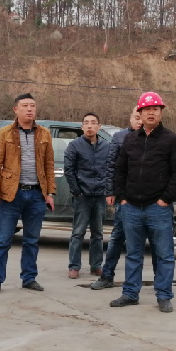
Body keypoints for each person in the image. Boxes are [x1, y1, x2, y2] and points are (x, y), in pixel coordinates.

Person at [110, 91, 176, 313]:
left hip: (158, 208)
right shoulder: (130, 140)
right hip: (131, 208)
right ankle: (130, 293)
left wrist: (165, 199)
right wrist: (123, 198)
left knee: (164, 254)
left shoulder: (171, 140)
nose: (151, 113)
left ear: (161, 112)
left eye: (155, 109)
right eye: (146, 110)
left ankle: (163, 295)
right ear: (140, 113)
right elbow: (120, 170)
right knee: (133, 254)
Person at [0, 93, 55, 294]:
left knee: (32, 240)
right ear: (16, 109)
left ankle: (29, 278)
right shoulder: (5, 133)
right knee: (3, 240)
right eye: (25, 105)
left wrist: (50, 192)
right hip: (11, 194)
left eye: (32, 105)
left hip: (36, 195)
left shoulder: (44, 133)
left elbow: (49, 165)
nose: (29, 109)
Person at [90, 106, 154, 290]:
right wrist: (110, 192)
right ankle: (107, 275)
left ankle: (160, 284)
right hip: (125, 199)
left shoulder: (155, 138)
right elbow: (111, 166)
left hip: (150, 199)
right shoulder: (119, 138)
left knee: (154, 242)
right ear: (131, 118)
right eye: (136, 117)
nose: (139, 121)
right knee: (117, 237)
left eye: (141, 117)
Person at [63, 113, 109, 278]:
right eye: (86, 123)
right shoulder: (74, 145)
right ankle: (74, 266)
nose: (90, 126)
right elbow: (69, 170)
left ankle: (96, 266)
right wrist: (77, 191)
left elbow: (111, 169)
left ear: (99, 126)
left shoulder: (107, 147)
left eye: (93, 123)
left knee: (98, 233)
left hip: (100, 196)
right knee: (78, 232)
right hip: (82, 196)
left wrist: (107, 189)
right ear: (82, 127)